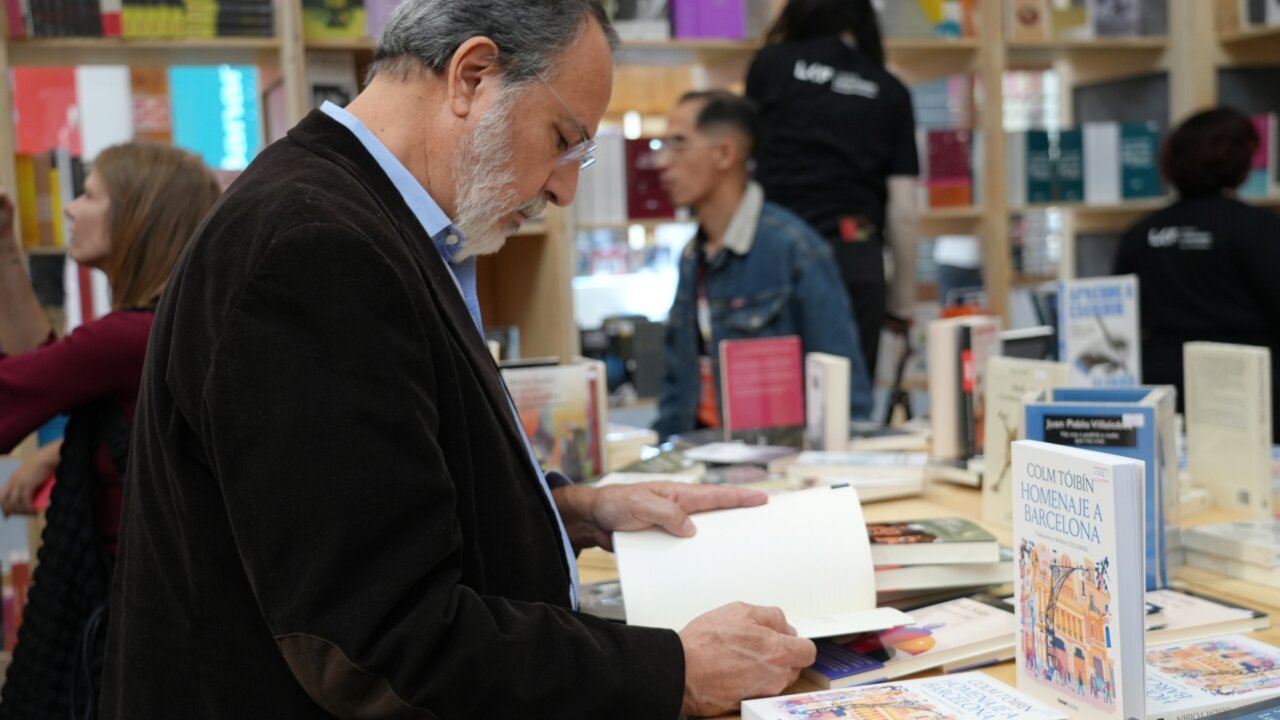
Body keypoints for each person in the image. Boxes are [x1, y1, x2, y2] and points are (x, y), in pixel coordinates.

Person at [101, 2, 816, 718]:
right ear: (472, 76)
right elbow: (383, 644)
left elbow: (369, 502)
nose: (563, 189)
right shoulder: (313, 250)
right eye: (563, 138)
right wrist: (675, 672)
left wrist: (567, 511)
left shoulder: (360, 219)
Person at [0, 142, 221, 718]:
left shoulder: (125, 340)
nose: (71, 208)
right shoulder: (172, 324)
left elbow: (21, 393)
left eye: (90, 195)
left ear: (137, 217)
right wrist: (4, 252)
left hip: (137, 636)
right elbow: (55, 376)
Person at [651, 90, 872, 440]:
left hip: (777, 471)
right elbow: (677, 390)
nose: (662, 162)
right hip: (698, 463)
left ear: (725, 153)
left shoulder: (794, 250)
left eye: (678, 143)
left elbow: (847, 400)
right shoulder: (693, 257)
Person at [746, 0, 921, 384]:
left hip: (778, 257)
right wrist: (901, 304)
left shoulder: (771, 65)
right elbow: (904, 212)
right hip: (855, 256)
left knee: (774, 416)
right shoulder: (890, 90)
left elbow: (744, 164)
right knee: (849, 414)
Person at [1113, 106, 1280, 441]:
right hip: (1246, 392)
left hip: (1160, 394)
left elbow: (1123, 318)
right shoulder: (1258, 228)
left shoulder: (1141, 232)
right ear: (1241, 163)